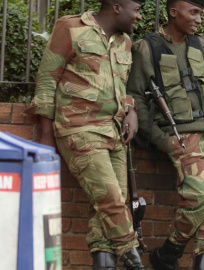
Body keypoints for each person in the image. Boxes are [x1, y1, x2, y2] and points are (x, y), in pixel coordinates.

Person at [26, 0, 146, 269]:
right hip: (78, 128)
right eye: (136, 9)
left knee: (106, 208)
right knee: (112, 201)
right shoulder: (70, 27)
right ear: (117, 6)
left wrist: (131, 110)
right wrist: (46, 138)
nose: (139, 16)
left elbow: (120, 86)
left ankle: (103, 263)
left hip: (113, 133)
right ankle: (135, 260)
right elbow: (47, 79)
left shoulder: (123, 41)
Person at [126, 0, 204, 269]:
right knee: (199, 198)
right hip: (182, 135)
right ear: (173, 12)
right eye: (193, 12)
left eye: (200, 13)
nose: (199, 18)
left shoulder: (203, 46)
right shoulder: (146, 47)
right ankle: (169, 253)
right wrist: (163, 140)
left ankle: (203, 261)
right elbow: (137, 97)